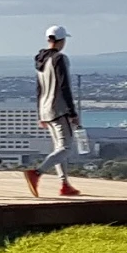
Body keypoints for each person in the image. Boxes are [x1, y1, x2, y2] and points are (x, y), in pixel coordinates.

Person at [25, 25, 82, 197]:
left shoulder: (40, 60)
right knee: (65, 148)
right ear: (62, 41)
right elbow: (64, 86)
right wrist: (72, 112)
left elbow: (39, 88)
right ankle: (37, 173)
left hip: (45, 108)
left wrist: (39, 113)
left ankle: (65, 184)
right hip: (59, 109)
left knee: (58, 147)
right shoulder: (59, 59)